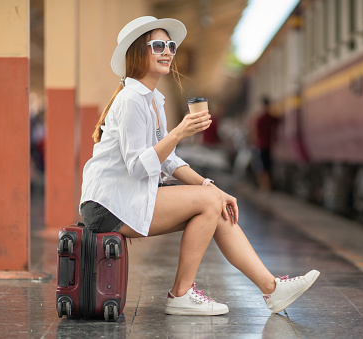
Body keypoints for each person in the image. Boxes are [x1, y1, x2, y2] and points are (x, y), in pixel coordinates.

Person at [80, 16, 319, 316]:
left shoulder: (153, 100)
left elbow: (167, 160)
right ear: (138, 52)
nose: (167, 51)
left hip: (125, 197)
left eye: (170, 45)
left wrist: (209, 185)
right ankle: (181, 294)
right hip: (108, 205)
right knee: (209, 202)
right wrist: (179, 133)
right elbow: (138, 168)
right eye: (158, 45)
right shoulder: (131, 100)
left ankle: (271, 288)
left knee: (214, 203)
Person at [254, 96, 278, 191]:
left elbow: (256, 132)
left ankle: (265, 187)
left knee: (262, 166)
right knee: (268, 166)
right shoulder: (270, 118)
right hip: (268, 145)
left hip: (261, 145)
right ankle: (267, 186)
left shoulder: (261, 118)